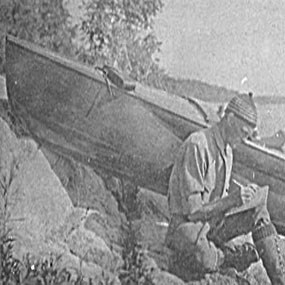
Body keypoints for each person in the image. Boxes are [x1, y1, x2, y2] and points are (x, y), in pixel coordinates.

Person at [165, 92, 285, 284]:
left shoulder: (227, 151)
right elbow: (193, 212)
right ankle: (226, 258)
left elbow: (218, 202)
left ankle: (280, 278)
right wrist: (233, 200)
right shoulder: (198, 145)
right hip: (188, 227)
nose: (244, 140)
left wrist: (245, 199)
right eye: (243, 132)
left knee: (258, 210)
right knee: (199, 253)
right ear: (229, 119)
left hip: (211, 226)